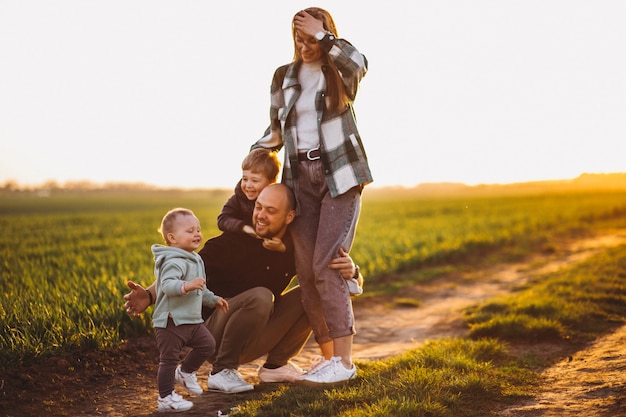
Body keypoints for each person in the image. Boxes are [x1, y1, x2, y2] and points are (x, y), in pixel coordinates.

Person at [124, 184, 361, 394]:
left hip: (256, 332)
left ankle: (275, 366)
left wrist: (353, 272)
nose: (261, 215)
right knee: (260, 296)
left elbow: (338, 286)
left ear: (290, 217)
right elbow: (184, 269)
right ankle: (221, 371)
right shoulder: (232, 243)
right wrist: (149, 294)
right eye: (259, 207)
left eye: (271, 211)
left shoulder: (293, 249)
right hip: (213, 334)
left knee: (309, 293)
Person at [251, 7, 372, 384]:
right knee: (306, 271)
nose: (305, 46)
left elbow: (360, 62)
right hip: (298, 177)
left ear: (324, 34)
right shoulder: (283, 76)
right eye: (299, 39)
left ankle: (346, 363)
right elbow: (275, 131)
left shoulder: (339, 69)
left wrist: (324, 36)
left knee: (326, 264)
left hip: (339, 174)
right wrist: (252, 163)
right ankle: (330, 358)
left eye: (311, 38)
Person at [151, 208, 229, 412]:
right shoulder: (172, 261)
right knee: (168, 360)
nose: (197, 234)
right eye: (190, 231)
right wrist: (186, 286)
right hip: (171, 322)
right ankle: (165, 398)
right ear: (172, 238)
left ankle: (185, 372)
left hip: (192, 321)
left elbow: (200, 289)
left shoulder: (195, 259)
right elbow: (167, 285)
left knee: (208, 345)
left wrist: (214, 300)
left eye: (198, 229)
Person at [217, 148, 286, 252]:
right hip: (241, 245)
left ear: (272, 181)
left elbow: (290, 231)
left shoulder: (278, 201)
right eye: (245, 179)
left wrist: (283, 246)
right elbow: (223, 219)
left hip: (266, 249)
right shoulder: (238, 198)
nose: (248, 185)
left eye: (255, 180)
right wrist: (244, 228)